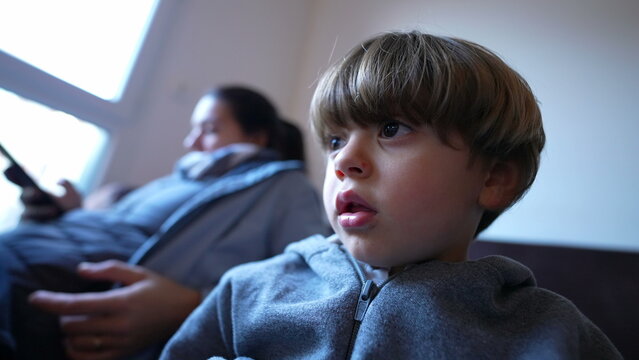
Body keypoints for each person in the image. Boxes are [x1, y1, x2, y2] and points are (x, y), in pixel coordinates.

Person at [159, 32, 622, 359]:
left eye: (391, 129)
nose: (342, 162)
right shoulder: (247, 290)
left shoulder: (548, 331)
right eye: (336, 140)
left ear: (493, 178)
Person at [0, 85, 328, 360]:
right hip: (40, 255)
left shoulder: (285, 186)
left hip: (75, 288)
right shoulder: (180, 179)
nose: (191, 143)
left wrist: (192, 305)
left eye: (210, 130)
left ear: (257, 138)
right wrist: (70, 211)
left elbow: (306, 285)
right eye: (193, 129)